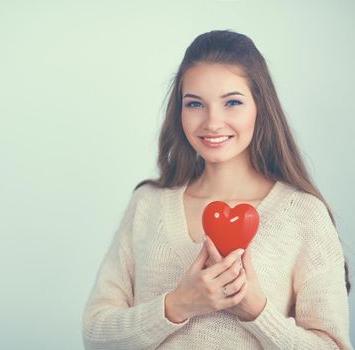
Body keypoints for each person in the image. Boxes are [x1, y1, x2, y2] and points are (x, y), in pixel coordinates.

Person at [81, 29, 353, 349]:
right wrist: (178, 305)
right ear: (179, 110)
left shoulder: (303, 214)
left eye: (232, 102)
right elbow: (95, 334)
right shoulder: (147, 204)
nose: (212, 122)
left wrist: (256, 311)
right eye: (195, 103)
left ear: (259, 107)